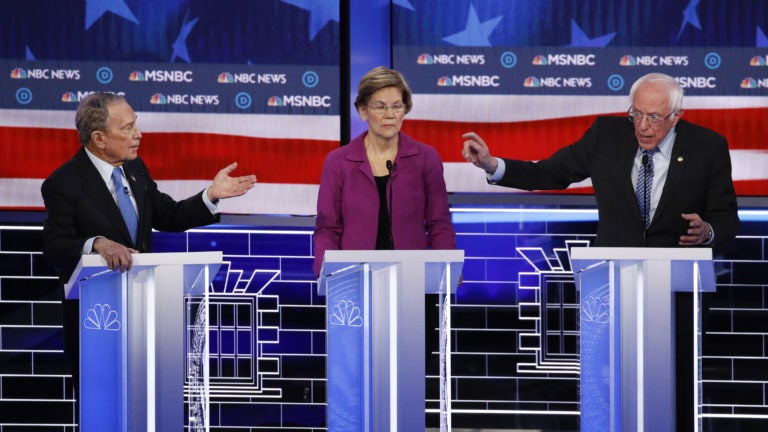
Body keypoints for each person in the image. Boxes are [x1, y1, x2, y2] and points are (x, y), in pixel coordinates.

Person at [461, 72, 740, 432]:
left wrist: (707, 232)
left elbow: (727, 217)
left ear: (677, 116)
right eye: (636, 113)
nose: (642, 125)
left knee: (673, 382)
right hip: (608, 286)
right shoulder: (606, 136)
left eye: (654, 117)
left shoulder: (708, 146)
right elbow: (550, 173)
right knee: (605, 383)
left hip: (675, 290)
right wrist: (492, 165)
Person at [41, 92, 257, 426]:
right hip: (97, 321)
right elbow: (54, 249)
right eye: (128, 128)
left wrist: (210, 196)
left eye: (135, 124)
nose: (138, 134)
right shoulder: (63, 183)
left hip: (146, 313)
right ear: (99, 138)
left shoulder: (135, 169)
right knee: (103, 412)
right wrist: (96, 243)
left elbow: (167, 215)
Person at [313, 66, 456, 276]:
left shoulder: (425, 158)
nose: (390, 114)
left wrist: (448, 266)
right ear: (363, 111)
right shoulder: (338, 162)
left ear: (405, 110)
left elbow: (438, 222)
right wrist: (326, 270)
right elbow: (328, 227)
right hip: (353, 277)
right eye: (380, 107)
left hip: (412, 277)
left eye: (397, 106)